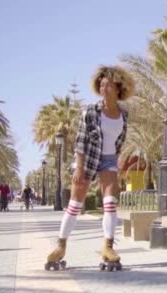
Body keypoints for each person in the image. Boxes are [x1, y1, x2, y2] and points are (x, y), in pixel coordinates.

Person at [45, 65, 135, 271]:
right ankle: (61, 247)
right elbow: (80, 141)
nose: (105, 89)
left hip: (109, 161)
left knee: (110, 203)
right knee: (75, 205)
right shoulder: (90, 112)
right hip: (87, 160)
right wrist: (78, 168)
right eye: (102, 85)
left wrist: (117, 163)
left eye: (109, 85)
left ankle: (108, 247)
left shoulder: (124, 114)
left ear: (119, 89)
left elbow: (119, 141)